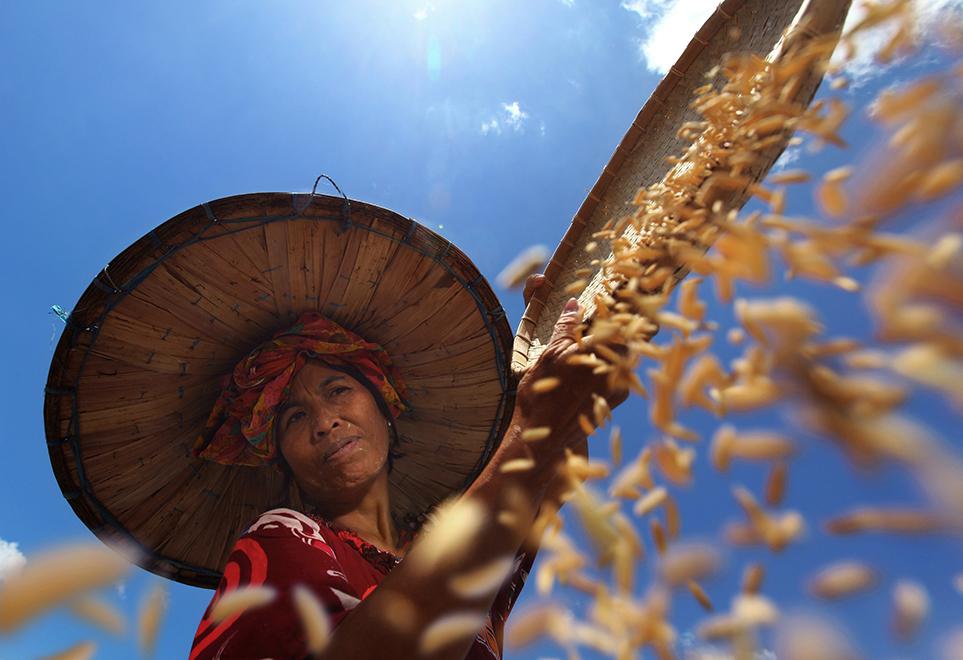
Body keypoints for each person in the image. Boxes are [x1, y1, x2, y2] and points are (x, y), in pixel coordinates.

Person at [189, 274, 628, 660]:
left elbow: (554, 478)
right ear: (280, 454)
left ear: (385, 409)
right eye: (295, 417)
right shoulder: (283, 535)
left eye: (338, 390)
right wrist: (537, 428)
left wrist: (570, 350)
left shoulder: (453, 537)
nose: (325, 423)